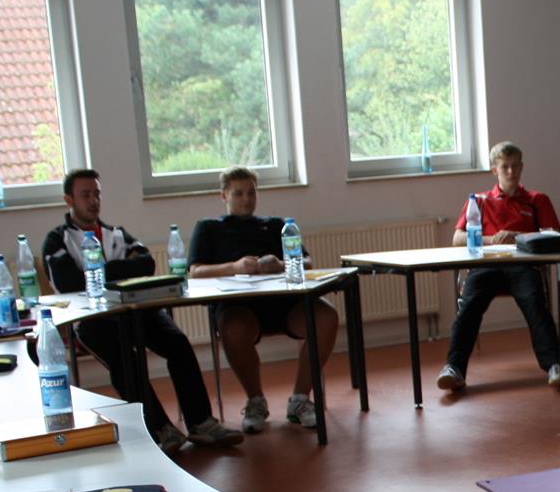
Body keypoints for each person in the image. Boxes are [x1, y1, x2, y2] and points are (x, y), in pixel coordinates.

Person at [41, 170, 243, 455]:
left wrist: (98, 272)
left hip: (134, 310)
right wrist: (120, 270)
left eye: (97, 194)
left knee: (178, 343)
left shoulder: (117, 234)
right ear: (69, 200)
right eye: (85, 195)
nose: (93, 201)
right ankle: (160, 428)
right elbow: (68, 282)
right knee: (126, 358)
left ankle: (201, 423)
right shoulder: (56, 240)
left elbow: (146, 264)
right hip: (91, 320)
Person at [188, 167, 339, 433]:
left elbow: (307, 262)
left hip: (283, 305)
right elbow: (195, 271)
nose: (246, 199)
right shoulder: (209, 228)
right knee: (233, 329)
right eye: (238, 193)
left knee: (326, 317)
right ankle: (255, 400)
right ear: (224, 196)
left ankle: (300, 399)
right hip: (238, 307)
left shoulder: (277, 225)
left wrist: (280, 264)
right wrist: (234, 267)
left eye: (251, 193)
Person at [436, 141, 560, 395]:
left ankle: (555, 365)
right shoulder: (479, 200)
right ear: (494, 170)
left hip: (523, 266)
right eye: (505, 167)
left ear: (522, 167)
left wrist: (517, 236)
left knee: (536, 304)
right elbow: (457, 238)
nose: (511, 172)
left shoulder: (537, 200)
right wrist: (490, 240)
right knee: (468, 307)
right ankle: (454, 368)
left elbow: (555, 235)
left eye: (515, 166)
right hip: (486, 267)